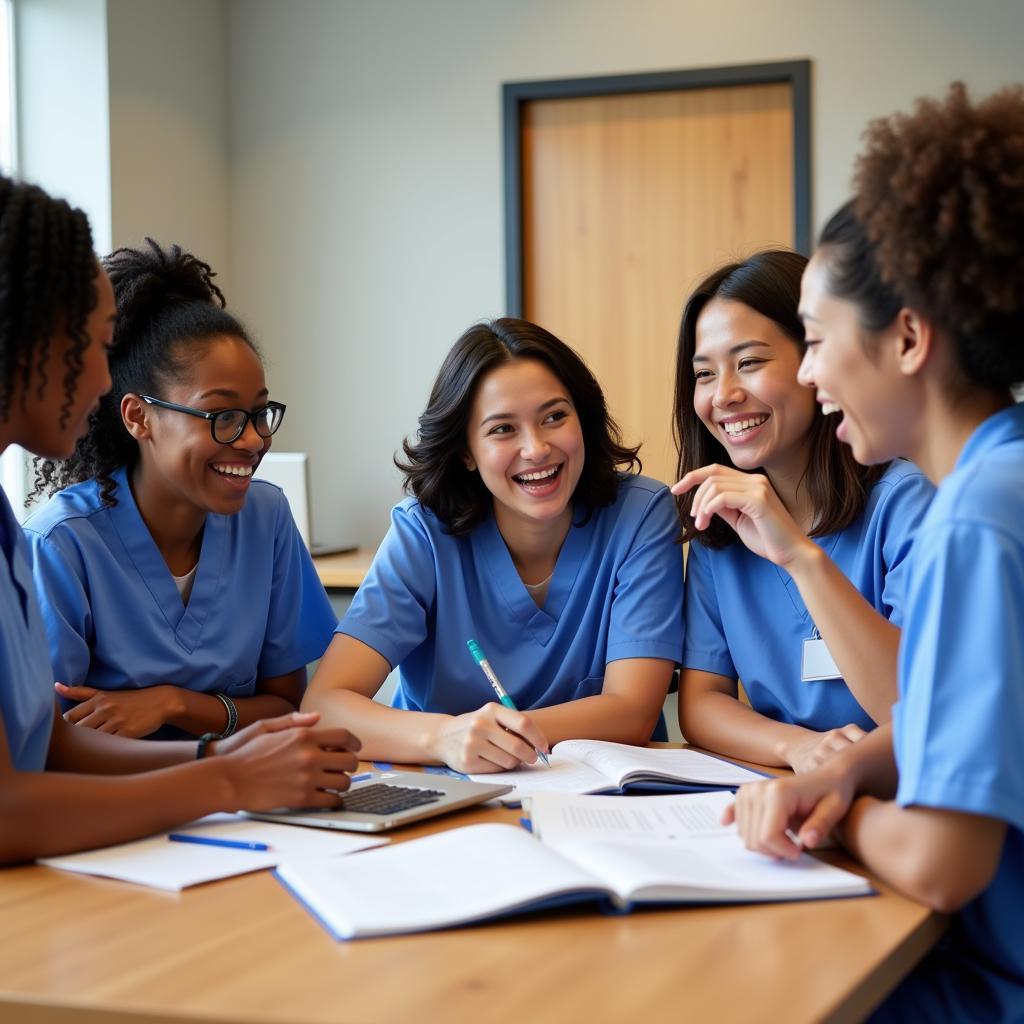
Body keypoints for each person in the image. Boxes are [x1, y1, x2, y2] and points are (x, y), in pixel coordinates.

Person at [727, 83, 1024, 1021]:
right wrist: (852, 768)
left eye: (813, 341)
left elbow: (942, 864)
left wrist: (836, 816)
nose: (807, 374)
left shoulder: (972, 522)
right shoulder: (1003, 477)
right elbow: (969, 724)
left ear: (906, 337)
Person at [0, 176, 359, 865]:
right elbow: (16, 796)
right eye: (93, 345)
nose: (104, 382)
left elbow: (49, 739)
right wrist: (224, 776)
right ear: (26, 338)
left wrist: (217, 752)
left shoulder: (3, 531)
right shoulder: (59, 538)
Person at [302, 318, 684, 772]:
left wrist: (497, 737)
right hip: (450, 789)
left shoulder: (641, 515)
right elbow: (326, 705)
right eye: (503, 429)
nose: (537, 448)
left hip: (605, 794)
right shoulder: (423, 533)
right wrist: (444, 738)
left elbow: (632, 711)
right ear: (466, 450)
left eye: (555, 416)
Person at [24, 239, 338, 741]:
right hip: (119, 810)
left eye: (259, 413)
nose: (255, 438)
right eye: (223, 416)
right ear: (138, 417)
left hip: (251, 803)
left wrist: (175, 705)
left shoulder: (266, 516)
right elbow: (48, 744)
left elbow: (285, 705)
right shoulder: (61, 545)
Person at [671, 250, 932, 772]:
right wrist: (796, 748)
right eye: (704, 374)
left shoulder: (906, 503)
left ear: (814, 361)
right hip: (786, 792)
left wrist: (799, 556)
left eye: (749, 362)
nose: (724, 395)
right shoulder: (720, 527)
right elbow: (701, 705)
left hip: (901, 795)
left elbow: (915, 708)